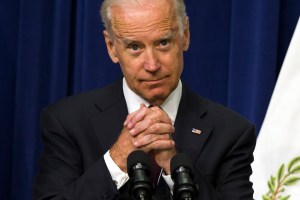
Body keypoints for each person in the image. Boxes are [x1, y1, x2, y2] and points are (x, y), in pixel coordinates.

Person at [33, 0, 256, 199]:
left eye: (163, 43)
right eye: (134, 47)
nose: (152, 65)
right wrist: (116, 160)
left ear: (185, 35)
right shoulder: (67, 121)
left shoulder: (231, 132)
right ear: (112, 47)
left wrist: (174, 168)